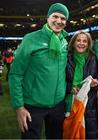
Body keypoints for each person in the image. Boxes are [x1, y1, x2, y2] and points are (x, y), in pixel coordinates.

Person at [8, 3, 69, 139]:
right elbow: (16, 74)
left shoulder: (64, 42)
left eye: (63, 18)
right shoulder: (31, 39)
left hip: (58, 105)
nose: (59, 21)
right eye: (55, 16)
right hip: (33, 106)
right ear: (48, 17)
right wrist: (19, 107)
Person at [65, 31, 98, 139]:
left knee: (89, 134)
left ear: (88, 44)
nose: (81, 43)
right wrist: (70, 88)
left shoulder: (93, 59)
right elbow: (59, 81)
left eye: (85, 41)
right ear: (73, 43)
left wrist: (96, 84)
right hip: (69, 102)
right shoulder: (66, 58)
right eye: (78, 40)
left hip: (88, 103)